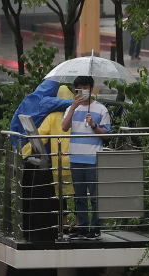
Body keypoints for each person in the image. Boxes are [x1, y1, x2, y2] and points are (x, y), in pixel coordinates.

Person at [61, 75, 111, 239]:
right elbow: (64, 127)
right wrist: (73, 107)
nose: (82, 91)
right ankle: (82, 227)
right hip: (75, 158)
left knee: (96, 197)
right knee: (80, 197)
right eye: (79, 88)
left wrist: (93, 125)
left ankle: (96, 228)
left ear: (91, 88)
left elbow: (106, 135)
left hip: (93, 158)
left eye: (85, 88)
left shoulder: (101, 109)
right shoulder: (71, 108)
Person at [37, 84, 74, 198]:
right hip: (76, 162)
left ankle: (63, 216)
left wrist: (24, 151)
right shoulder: (77, 114)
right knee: (79, 194)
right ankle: (78, 216)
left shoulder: (51, 117)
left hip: (58, 163)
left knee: (60, 196)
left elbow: (40, 138)